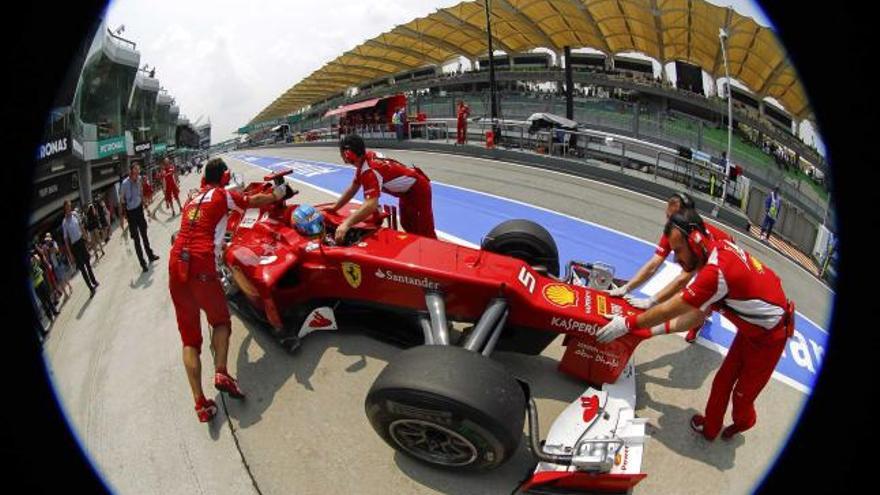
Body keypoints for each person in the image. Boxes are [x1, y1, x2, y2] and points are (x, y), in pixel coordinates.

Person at [596, 209, 794, 442]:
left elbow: (673, 309)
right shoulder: (713, 248)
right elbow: (694, 318)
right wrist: (647, 331)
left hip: (770, 339)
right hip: (752, 330)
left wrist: (629, 324)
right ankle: (711, 429)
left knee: (742, 397)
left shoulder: (715, 274)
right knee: (722, 381)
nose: (675, 259)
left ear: (694, 240)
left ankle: (743, 424)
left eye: (678, 251)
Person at [168, 158, 287, 422]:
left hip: (176, 265)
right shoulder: (223, 195)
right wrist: (277, 193)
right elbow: (253, 202)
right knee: (221, 322)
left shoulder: (191, 201)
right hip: (200, 266)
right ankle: (221, 371)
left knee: (189, 340)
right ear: (224, 177)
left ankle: (200, 404)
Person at [607, 192, 733, 343]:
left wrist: (651, 302)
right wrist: (626, 288)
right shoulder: (675, 229)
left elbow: (682, 280)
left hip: (721, 263)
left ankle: (700, 320)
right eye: (667, 216)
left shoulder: (692, 238)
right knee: (688, 300)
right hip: (706, 258)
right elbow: (654, 264)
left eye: (672, 217)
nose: (668, 222)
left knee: (699, 305)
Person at [325, 134, 436, 243]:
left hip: (418, 189)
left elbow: (371, 204)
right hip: (407, 192)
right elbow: (353, 188)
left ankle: (436, 255)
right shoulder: (366, 158)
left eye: (342, 154)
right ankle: (419, 249)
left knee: (425, 231)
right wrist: (335, 207)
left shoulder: (369, 171)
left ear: (348, 154)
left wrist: (346, 224)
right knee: (408, 224)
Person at [120, 163, 160, 272]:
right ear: (131, 171)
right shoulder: (124, 184)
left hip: (139, 210)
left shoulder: (138, 180)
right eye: (136, 170)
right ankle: (143, 264)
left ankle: (150, 256)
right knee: (136, 240)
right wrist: (123, 217)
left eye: (138, 169)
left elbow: (140, 194)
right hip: (131, 213)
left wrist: (146, 207)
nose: (138, 172)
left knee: (144, 234)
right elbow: (122, 200)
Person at [62, 200, 99, 297]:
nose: (69, 208)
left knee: (88, 263)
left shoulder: (75, 215)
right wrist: (70, 254)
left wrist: (87, 238)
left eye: (70, 206)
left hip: (81, 241)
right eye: (67, 207)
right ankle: (90, 288)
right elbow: (66, 240)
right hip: (74, 246)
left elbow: (81, 227)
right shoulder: (64, 222)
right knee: (82, 269)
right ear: (65, 209)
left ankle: (94, 281)